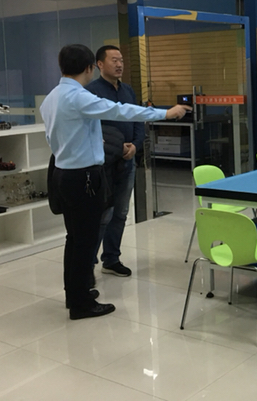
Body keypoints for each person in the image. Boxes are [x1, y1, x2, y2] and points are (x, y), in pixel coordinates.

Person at [41, 44, 190, 320]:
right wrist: (165, 114)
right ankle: (81, 304)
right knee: (85, 241)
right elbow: (120, 111)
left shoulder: (51, 98)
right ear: (90, 67)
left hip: (63, 173)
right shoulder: (79, 96)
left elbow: (53, 137)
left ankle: (75, 293)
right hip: (84, 177)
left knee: (74, 239)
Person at [86, 45, 142, 278]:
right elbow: (90, 128)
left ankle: (111, 259)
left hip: (128, 161)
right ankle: (87, 265)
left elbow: (138, 119)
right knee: (102, 215)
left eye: (121, 60)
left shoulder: (128, 90)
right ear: (99, 64)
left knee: (120, 213)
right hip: (104, 164)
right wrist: (116, 147)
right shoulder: (91, 92)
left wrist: (135, 145)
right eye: (114, 60)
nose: (119, 65)